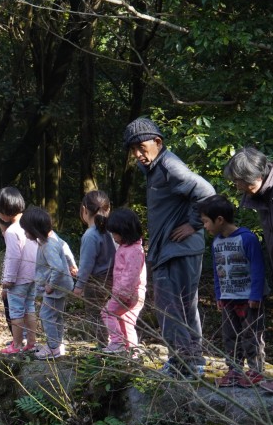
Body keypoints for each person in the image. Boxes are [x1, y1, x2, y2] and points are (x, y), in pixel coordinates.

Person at [124, 117, 215, 375]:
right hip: (175, 249)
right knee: (183, 306)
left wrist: (193, 224)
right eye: (133, 149)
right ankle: (191, 362)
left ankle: (183, 364)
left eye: (141, 147)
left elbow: (207, 192)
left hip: (178, 249)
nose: (137, 154)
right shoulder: (156, 167)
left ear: (158, 142)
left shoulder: (169, 166)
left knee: (171, 308)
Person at [199, 195, 266, 386]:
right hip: (228, 298)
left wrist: (256, 295)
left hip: (249, 299)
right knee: (230, 336)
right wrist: (219, 295)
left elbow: (258, 268)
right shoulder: (216, 242)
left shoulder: (247, 238)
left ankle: (255, 370)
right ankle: (234, 369)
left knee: (251, 335)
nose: (205, 226)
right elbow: (217, 270)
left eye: (206, 221)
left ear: (219, 219)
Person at [20, 206, 75, 360]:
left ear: (35, 229)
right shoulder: (50, 239)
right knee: (56, 316)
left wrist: (51, 284)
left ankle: (53, 347)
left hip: (55, 289)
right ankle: (57, 344)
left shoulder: (49, 245)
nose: (25, 233)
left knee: (46, 316)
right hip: (60, 287)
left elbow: (57, 268)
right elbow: (64, 248)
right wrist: (71, 263)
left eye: (26, 230)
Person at [0, 187, 37, 354]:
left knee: (16, 312)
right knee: (30, 309)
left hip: (18, 279)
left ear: (4, 210)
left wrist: (8, 279)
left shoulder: (12, 231)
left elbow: (13, 257)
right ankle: (31, 343)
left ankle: (17, 345)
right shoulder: (29, 226)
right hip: (33, 276)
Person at [102, 208, 147, 355]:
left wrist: (121, 294)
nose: (113, 237)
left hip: (128, 293)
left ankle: (117, 342)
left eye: (115, 233)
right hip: (131, 293)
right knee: (126, 321)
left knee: (107, 312)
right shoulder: (127, 247)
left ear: (125, 231)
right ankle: (132, 352)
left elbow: (131, 275)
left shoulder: (134, 251)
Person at [74, 190, 116, 342]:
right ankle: (116, 341)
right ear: (108, 209)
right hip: (114, 277)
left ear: (84, 210)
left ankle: (104, 345)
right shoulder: (112, 231)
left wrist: (79, 285)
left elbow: (86, 264)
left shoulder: (90, 235)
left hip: (96, 281)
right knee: (111, 312)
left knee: (95, 314)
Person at [224, 147, 273, 272]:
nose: (238, 187)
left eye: (240, 181)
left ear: (258, 176)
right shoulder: (261, 194)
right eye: (235, 181)